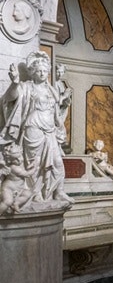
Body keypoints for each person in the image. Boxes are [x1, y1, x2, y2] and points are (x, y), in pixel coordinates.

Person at [0, 51, 71, 203]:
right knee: (34, 162)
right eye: (39, 71)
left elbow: (55, 112)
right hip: (33, 127)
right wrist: (15, 82)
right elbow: (9, 98)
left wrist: (60, 125)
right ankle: (35, 193)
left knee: (57, 162)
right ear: (32, 72)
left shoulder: (51, 90)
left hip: (50, 129)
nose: (42, 73)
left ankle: (58, 191)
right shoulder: (26, 87)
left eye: (45, 70)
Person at [0, 142, 35, 214]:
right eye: (16, 159)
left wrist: (32, 164)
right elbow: (27, 174)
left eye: (20, 157)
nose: (20, 160)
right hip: (8, 189)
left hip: (19, 188)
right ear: (9, 160)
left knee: (28, 194)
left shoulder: (18, 165)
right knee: (7, 201)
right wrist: (35, 167)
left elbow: (27, 169)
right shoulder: (14, 168)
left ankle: (16, 203)